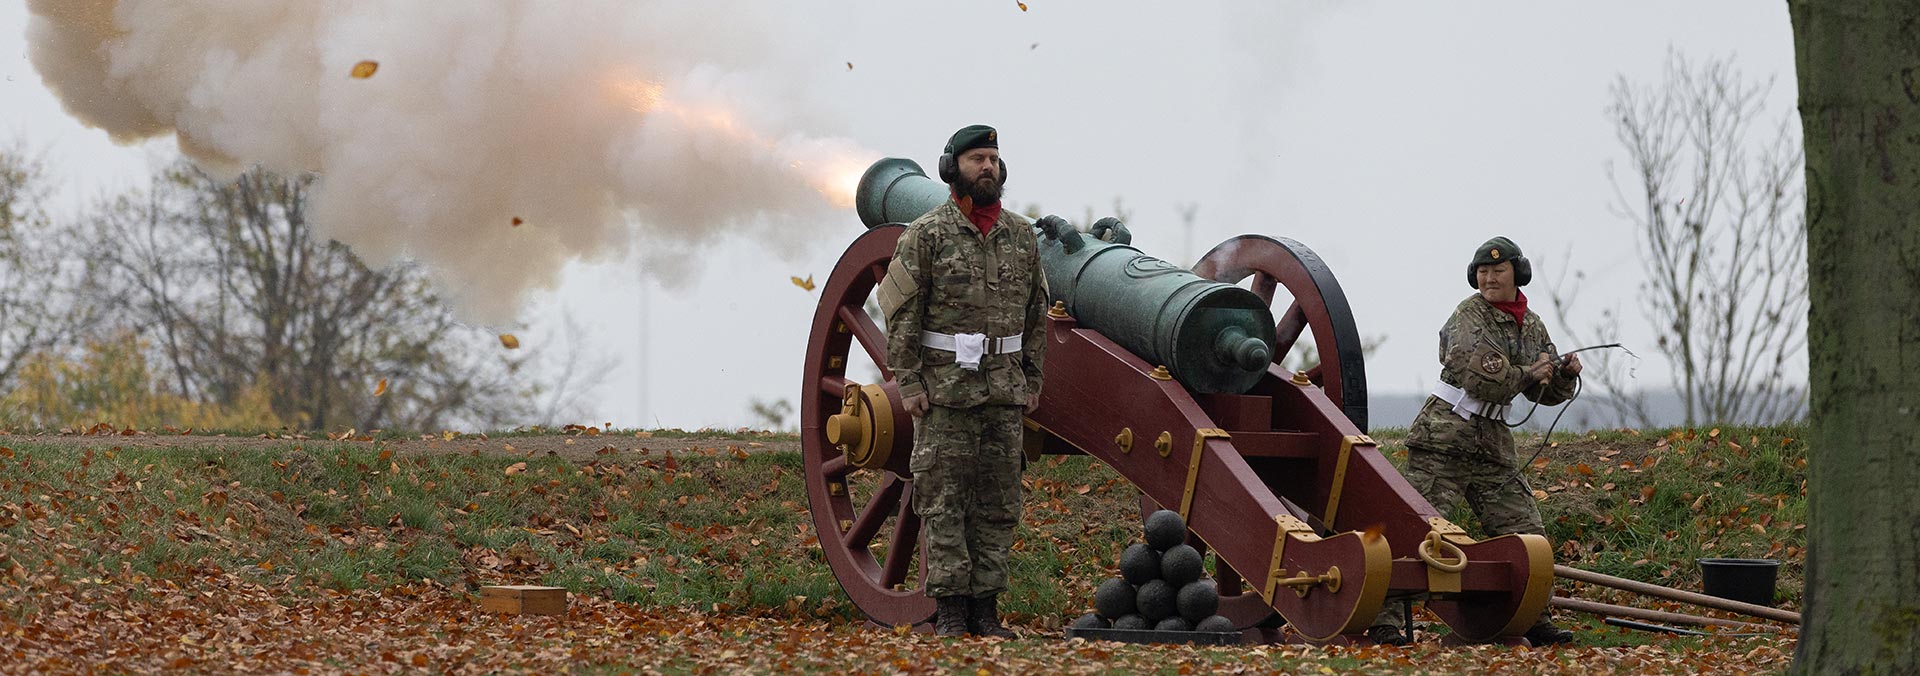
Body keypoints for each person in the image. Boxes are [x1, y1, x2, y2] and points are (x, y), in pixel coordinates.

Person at [1366, 236, 1582, 647]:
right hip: (1443, 441)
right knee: (1413, 531)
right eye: (1482, 272)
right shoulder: (1468, 316)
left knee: (1527, 534)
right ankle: (1385, 622)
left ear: (1517, 274)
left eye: (1497, 271)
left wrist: (1563, 373)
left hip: (1492, 446)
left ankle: (1533, 616)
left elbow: (1546, 392)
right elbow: (1481, 376)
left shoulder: (1531, 324)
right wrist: (1529, 373)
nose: (1488, 279)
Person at [876, 124, 1048, 638]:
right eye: (977, 158)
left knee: (998, 503)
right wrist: (908, 382)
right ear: (954, 168)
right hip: (946, 393)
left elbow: (1038, 314)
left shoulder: (1021, 236)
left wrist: (1033, 378)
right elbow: (902, 314)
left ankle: (986, 610)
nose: (988, 167)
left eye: (994, 158)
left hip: (1004, 392)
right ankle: (951, 610)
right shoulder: (926, 234)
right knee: (944, 501)